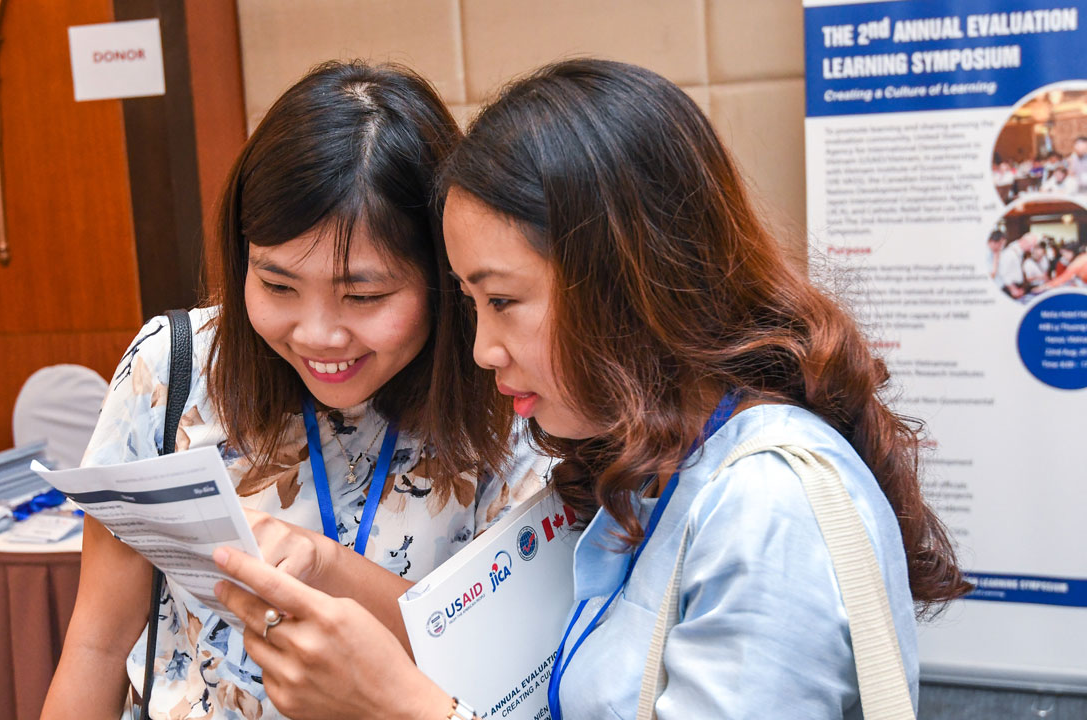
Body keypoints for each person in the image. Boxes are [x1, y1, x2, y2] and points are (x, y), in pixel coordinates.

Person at [211, 59, 970, 720]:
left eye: (503, 301)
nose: (480, 349)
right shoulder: (655, 472)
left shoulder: (767, 508)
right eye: (471, 305)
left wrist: (404, 708)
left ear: (626, 283)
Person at [41, 61, 547, 720]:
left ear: (443, 275)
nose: (318, 335)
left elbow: (499, 664)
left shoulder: (508, 399)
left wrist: (324, 566)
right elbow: (97, 645)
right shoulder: (172, 372)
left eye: (362, 294)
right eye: (277, 285)